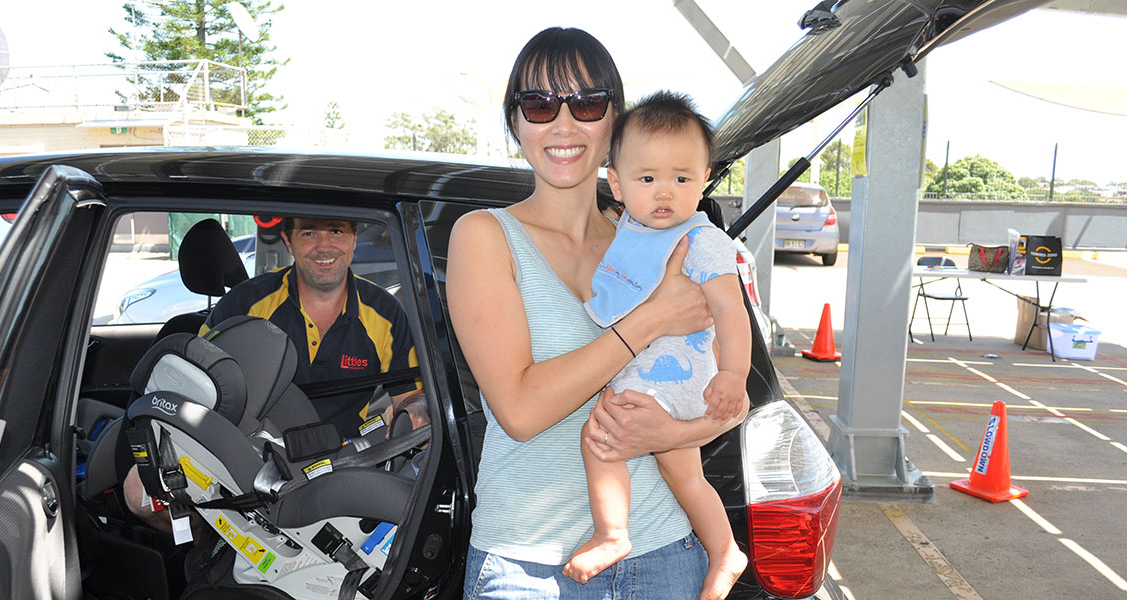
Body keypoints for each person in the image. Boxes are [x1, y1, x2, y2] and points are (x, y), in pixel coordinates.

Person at [447, 27, 746, 599]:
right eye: (539, 104)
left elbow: (732, 399)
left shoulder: (662, 238)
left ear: (614, 121)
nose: (563, 124)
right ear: (516, 122)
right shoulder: (485, 236)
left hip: (666, 552)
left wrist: (673, 431)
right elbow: (521, 409)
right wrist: (651, 318)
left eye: (586, 103)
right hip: (526, 567)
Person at [124, 216, 424, 534]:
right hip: (247, 453)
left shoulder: (386, 313)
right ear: (288, 240)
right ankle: (206, 550)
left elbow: (409, 398)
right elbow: (197, 392)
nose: (324, 246)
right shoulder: (245, 304)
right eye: (309, 232)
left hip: (342, 460)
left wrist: (417, 411)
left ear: (353, 238)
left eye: (336, 231)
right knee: (137, 492)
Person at [565, 91, 751, 600]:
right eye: (648, 179)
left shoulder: (702, 238)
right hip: (661, 376)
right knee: (685, 476)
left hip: (677, 376)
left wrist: (732, 375)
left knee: (600, 438)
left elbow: (731, 312)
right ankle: (725, 551)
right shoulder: (629, 229)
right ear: (617, 184)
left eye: (682, 178)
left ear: (704, 178)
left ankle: (612, 533)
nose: (664, 192)